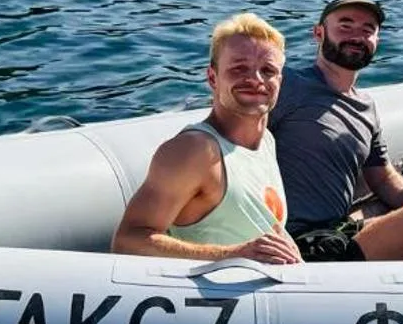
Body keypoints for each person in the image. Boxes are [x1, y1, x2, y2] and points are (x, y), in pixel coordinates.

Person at [268, 0, 403, 262]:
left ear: (376, 41)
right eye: (345, 26)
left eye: (367, 30)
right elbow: (236, 136)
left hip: (335, 232)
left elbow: (382, 177)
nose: (357, 36)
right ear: (319, 33)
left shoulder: (366, 107)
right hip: (296, 241)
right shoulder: (288, 85)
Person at [113, 13, 303, 264]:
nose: (256, 80)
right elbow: (127, 241)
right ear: (213, 78)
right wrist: (232, 255)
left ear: (279, 81)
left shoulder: (265, 141)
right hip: (220, 286)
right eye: (239, 68)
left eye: (268, 71)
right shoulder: (195, 151)